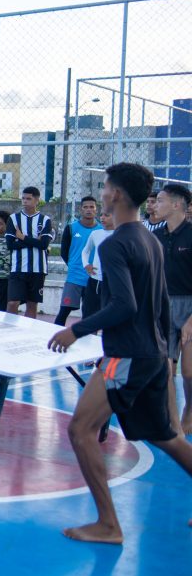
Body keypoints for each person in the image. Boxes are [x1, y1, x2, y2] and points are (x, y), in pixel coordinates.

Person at [48, 162, 192, 545]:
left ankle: (109, 525)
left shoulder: (115, 244)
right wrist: (163, 353)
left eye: (107, 187)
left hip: (128, 355)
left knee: (81, 430)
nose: (104, 192)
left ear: (115, 195)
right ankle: (107, 523)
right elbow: (159, 304)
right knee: (164, 436)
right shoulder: (149, 239)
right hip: (150, 354)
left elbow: (124, 305)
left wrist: (75, 330)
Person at [153, 183, 192, 434]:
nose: (154, 204)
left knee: (189, 371)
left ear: (177, 204)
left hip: (190, 306)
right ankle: (170, 418)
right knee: (166, 368)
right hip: (163, 305)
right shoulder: (156, 236)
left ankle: (189, 411)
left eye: (160, 200)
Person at [6, 186, 55, 319]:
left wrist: (22, 238)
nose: (25, 201)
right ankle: (7, 331)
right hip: (18, 268)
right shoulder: (13, 219)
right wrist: (33, 241)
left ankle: (28, 334)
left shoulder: (45, 220)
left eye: (28, 198)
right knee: (12, 303)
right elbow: (10, 245)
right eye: (23, 198)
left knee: (32, 305)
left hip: (38, 270)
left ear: (37, 200)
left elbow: (44, 245)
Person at [55, 196, 102, 326]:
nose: (88, 210)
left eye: (91, 207)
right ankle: (52, 338)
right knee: (64, 311)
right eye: (85, 207)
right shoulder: (71, 228)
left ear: (96, 210)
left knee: (91, 315)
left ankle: (88, 343)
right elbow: (64, 252)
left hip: (93, 279)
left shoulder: (102, 230)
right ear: (80, 210)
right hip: (74, 278)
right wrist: (74, 266)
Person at [81, 211, 114, 318]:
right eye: (101, 215)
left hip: (111, 283)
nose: (103, 218)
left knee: (109, 319)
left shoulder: (121, 234)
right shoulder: (95, 234)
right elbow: (85, 251)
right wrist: (86, 264)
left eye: (107, 215)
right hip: (94, 281)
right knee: (89, 317)